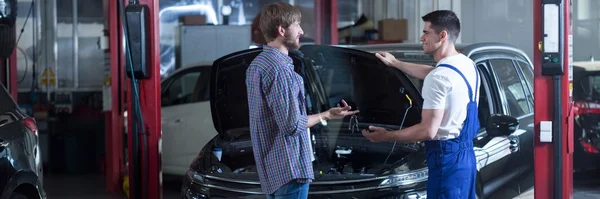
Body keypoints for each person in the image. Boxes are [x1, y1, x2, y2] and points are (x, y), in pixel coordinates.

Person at [245, 2, 359, 199]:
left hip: (272, 171)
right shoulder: (280, 70)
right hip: (290, 169)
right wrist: (326, 115)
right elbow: (292, 125)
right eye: (297, 25)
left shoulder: (257, 65)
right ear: (282, 30)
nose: (301, 30)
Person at [361, 10, 480, 199]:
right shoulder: (466, 64)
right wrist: (396, 63)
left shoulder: (439, 78)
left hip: (445, 160)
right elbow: (434, 73)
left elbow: (428, 131)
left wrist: (387, 136)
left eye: (426, 32)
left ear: (442, 35)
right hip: (466, 160)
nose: (421, 37)